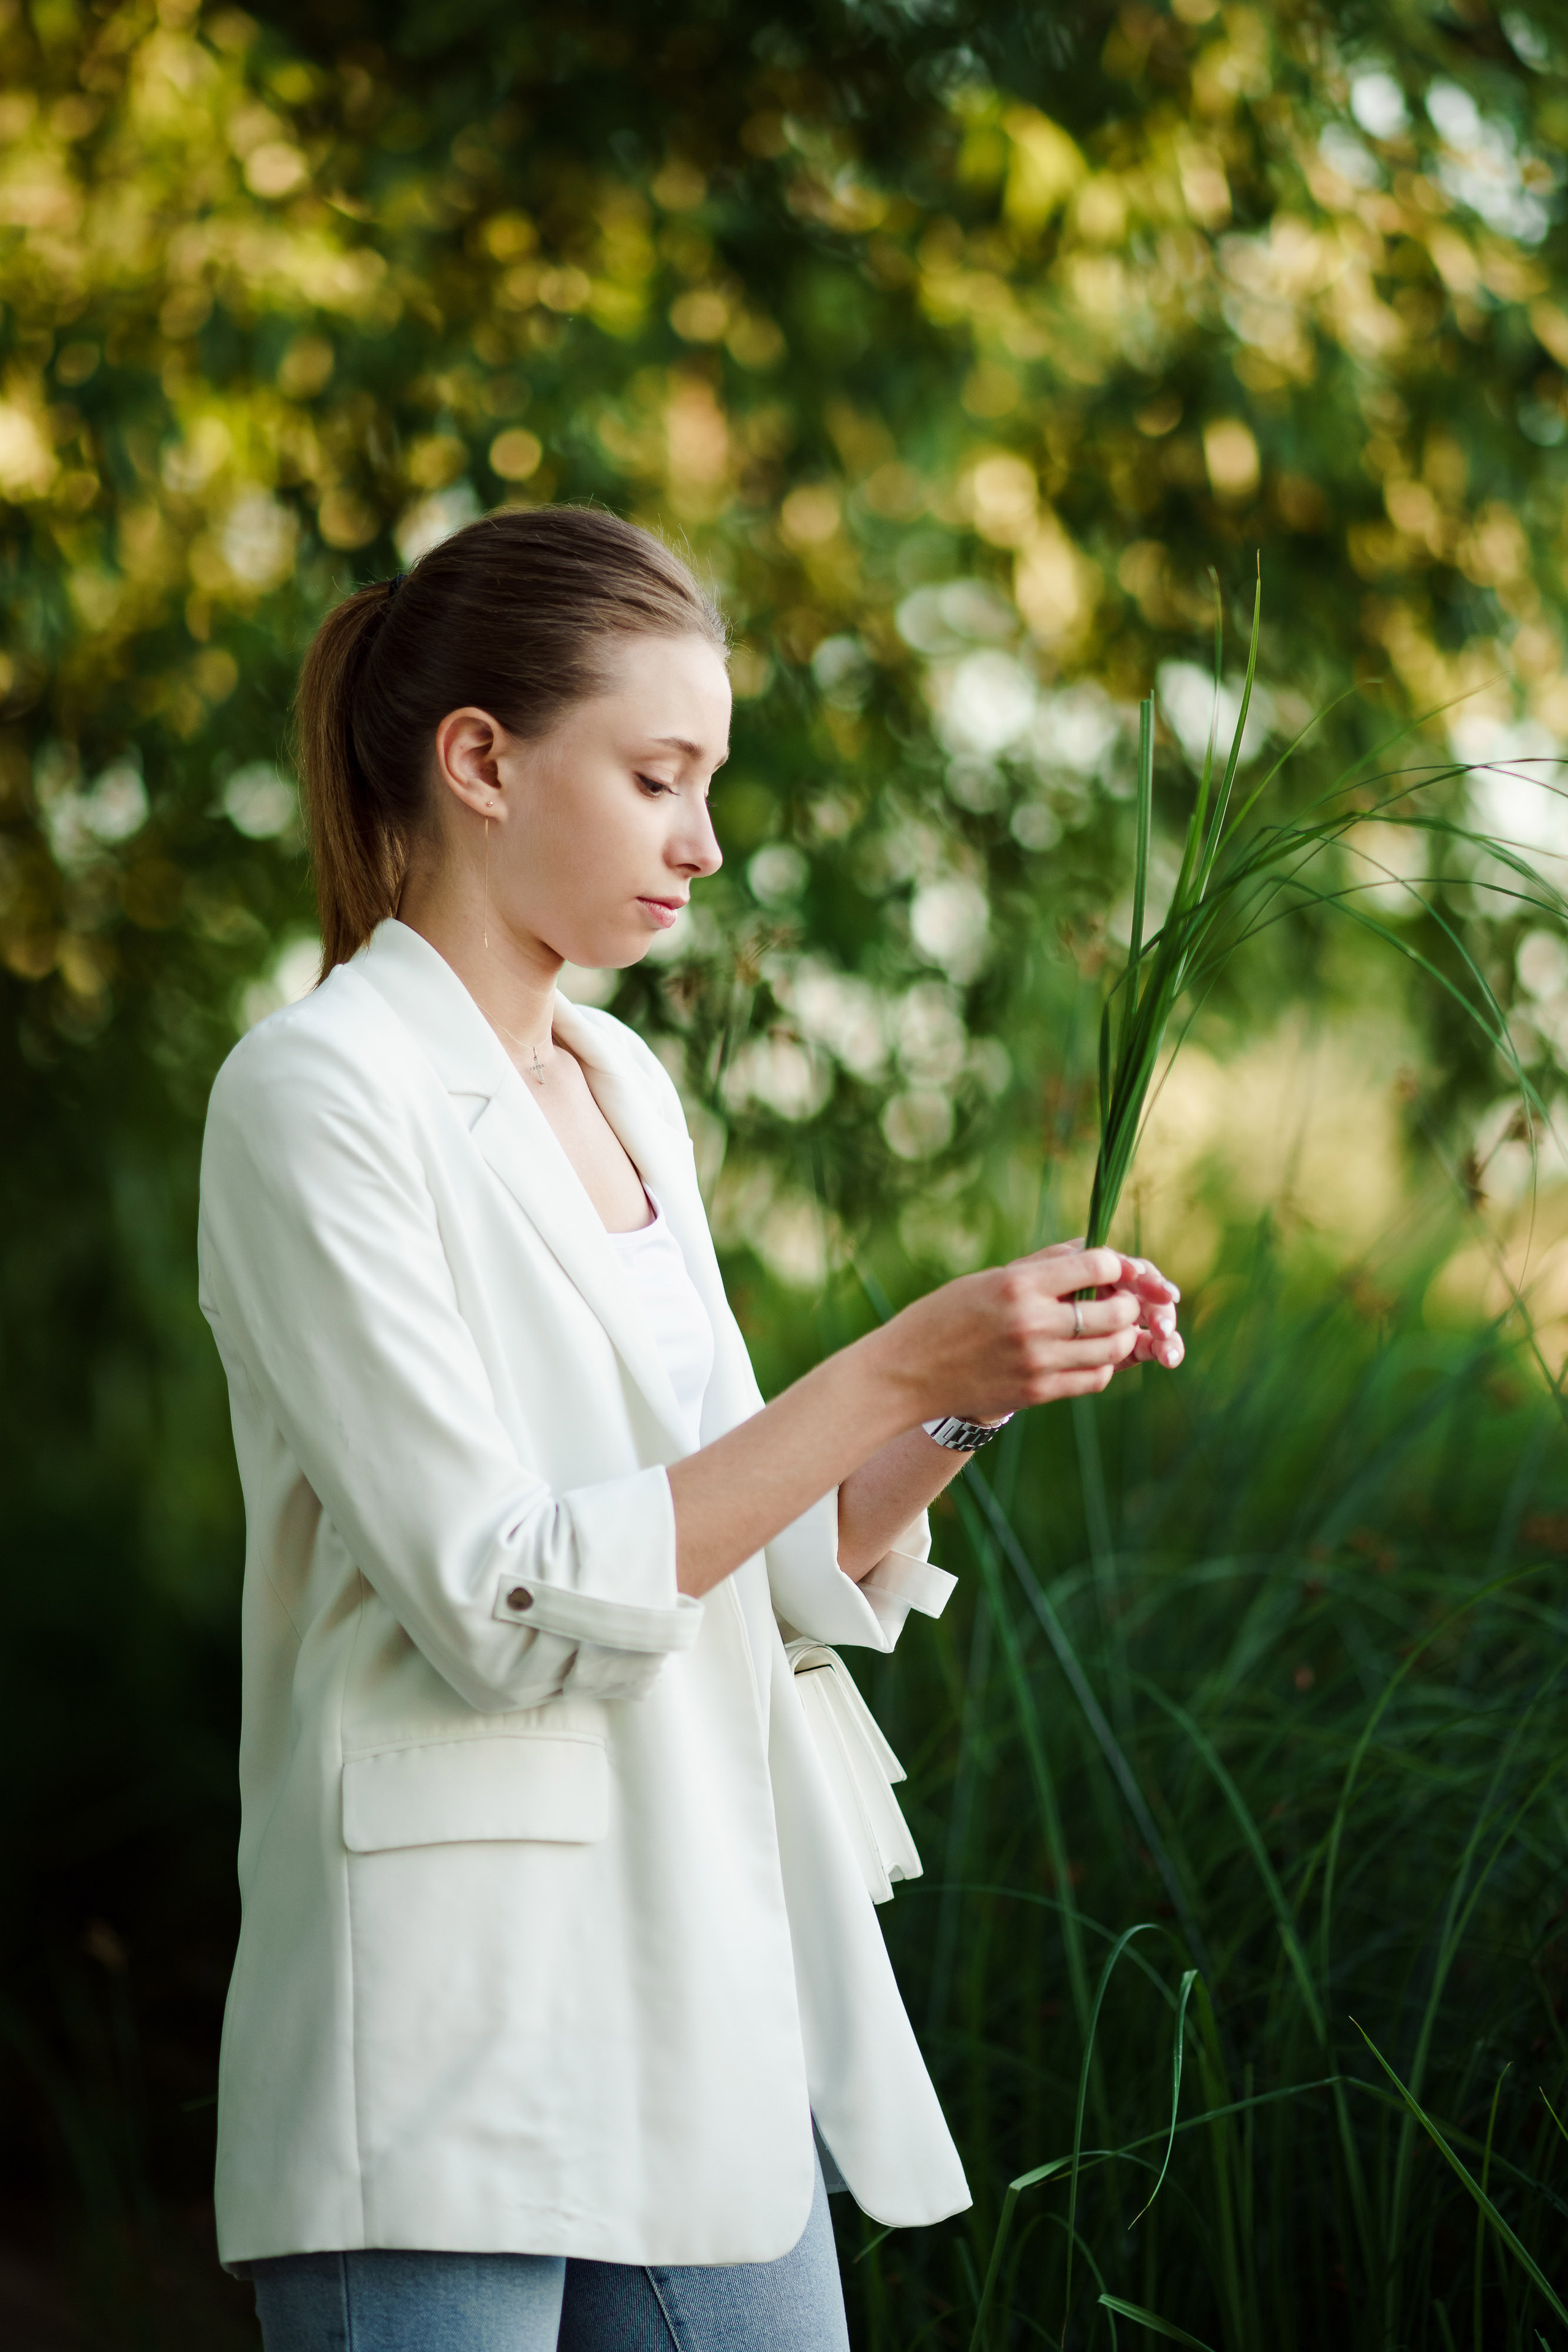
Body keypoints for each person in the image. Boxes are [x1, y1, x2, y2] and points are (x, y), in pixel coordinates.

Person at [197, 504, 1184, 2352]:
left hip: (713, 1973)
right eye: (658, 776)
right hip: (445, 2035)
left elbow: (768, 1554)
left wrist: (965, 1395)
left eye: (708, 779)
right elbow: (496, 1604)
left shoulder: (623, 1080)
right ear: (479, 761)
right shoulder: (314, 1097)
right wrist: (887, 1365)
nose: (705, 843)